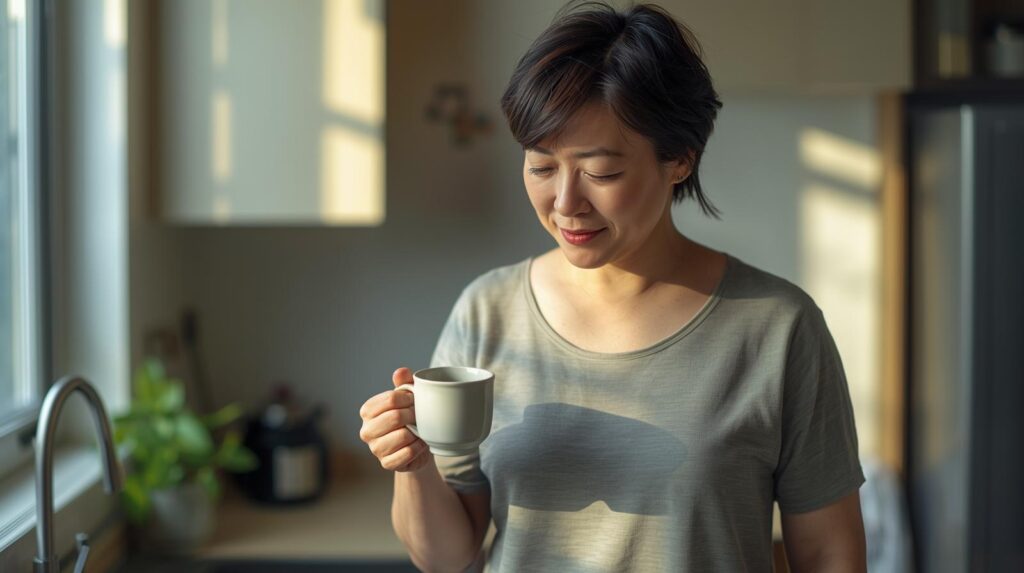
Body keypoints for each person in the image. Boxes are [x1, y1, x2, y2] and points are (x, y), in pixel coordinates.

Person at [358, 2, 867, 571]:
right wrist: (413, 464)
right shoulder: (488, 312)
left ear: (678, 160)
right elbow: (446, 558)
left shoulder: (777, 327)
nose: (566, 204)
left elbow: (829, 551)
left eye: (600, 172)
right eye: (541, 166)